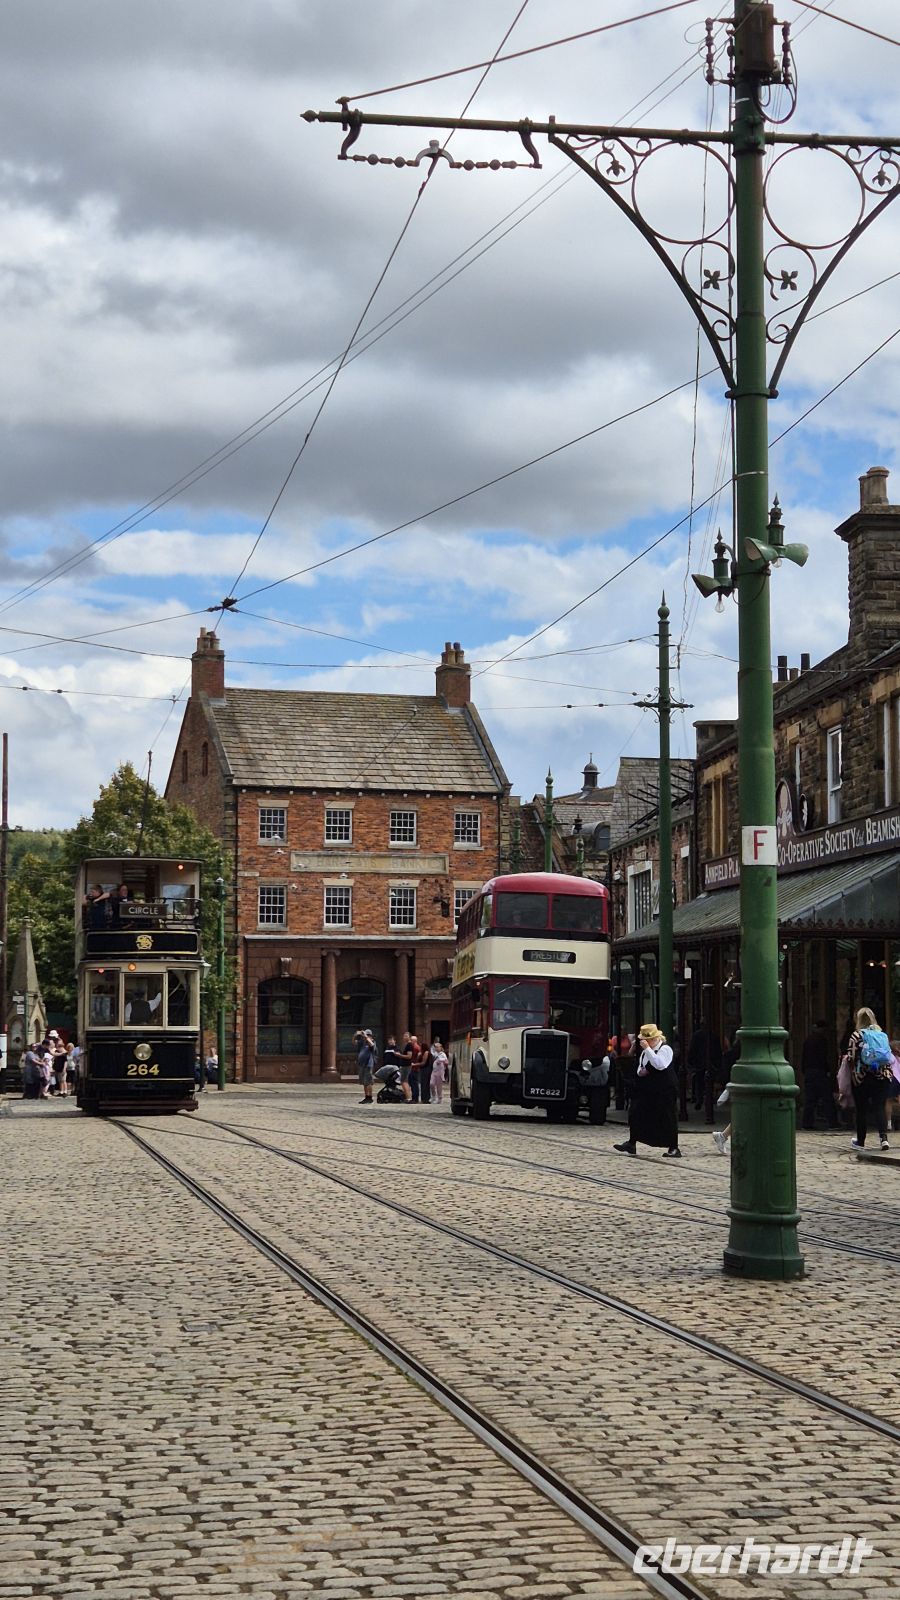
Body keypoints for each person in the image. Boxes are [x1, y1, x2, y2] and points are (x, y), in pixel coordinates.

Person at [614, 1023, 681, 1157]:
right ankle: (632, 1142)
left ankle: (673, 1147)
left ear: (654, 1038)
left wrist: (648, 1051)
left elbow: (660, 1064)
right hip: (648, 1088)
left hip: (665, 1088)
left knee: (668, 1116)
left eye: (646, 1040)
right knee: (636, 1112)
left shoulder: (665, 1049)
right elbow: (640, 1066)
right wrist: (641, 1071)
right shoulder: (645, 1052)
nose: (644, 1043)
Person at [847, 1006, 892, 1151]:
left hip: (862, 1077)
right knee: (879, 1106)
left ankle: (861, 1141)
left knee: (861, 1109)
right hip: (882, 1076)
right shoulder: (881, 1034)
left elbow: (852, 1057)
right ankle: (883, 1139)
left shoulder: (856, 1035)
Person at [800, 1019, 837, 1130]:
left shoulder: (808, 1040)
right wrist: (828, 1070)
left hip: (809, 1071)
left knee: (810, 1099)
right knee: (827, 1098)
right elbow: (824, 1057)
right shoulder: (822, 1040)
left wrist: (804, 1070)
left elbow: (803, 1056)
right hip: (820, 1071)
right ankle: (832, 1122)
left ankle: (807, 1123)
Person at [686, 1018, 722, 1115]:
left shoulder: (697, 1036)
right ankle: (708, 1100)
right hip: (710, 1063)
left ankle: (699, 1099)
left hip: (699, 1063)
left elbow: (692, 1049)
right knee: (709, 1083)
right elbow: (718, 1051)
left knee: (699, 1083)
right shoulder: (714, 1036)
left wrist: (690, 1062)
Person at [382, 1035, 410, 1101]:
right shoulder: (386, 1049)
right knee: (388, 1082)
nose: (390, 1041)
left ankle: (396, 1095)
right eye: (389, 1040)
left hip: (395, 1069)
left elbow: (400, 1059)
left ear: (394, 1041)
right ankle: (389, 1095)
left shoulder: (397, 1049)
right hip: (387, 1069)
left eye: (392, 1040)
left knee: (393, 1082)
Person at [354, 1028, 377, 1105]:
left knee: (368, 1082)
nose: (364, 1037)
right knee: (364, 1082)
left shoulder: (372, 1041)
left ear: (370, 1035)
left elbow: (372, 1045)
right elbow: (354, 1043)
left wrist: (366, 1036)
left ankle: (369, 1097)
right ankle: (366, 1096)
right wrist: (355, 1035)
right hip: (361, 1065)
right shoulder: (362, 1043)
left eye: (367, 1035)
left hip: (368, 1064)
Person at [49, 1032, 69, 1096]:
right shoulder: (57, 1052)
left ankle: (65, 1091)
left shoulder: (63, 1052)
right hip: (58, 1068)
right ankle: (61, 1091)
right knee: (60, 1080)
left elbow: (65, 1061)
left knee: (63, 1080)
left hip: (62, 1068)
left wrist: (64, 1069)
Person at [430, 1039, 449, 1105]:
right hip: (434, 1071)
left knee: (439, 1086)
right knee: (431, 1084)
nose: (436, 1048)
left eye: (438, 1047)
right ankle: (433, 1097)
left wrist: (441, 1061)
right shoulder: (434, 1053)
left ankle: (439, 1098)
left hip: (440, 1071)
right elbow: (431, 1051)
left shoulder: (442, 1054)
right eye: (436, 1047)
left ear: (440, 1047)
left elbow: (446, 1061)